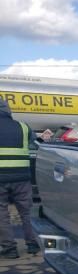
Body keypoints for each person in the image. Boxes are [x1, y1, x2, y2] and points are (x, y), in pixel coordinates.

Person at [0, 97, 39, 259]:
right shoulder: (24, 127)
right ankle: (32, 244)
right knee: (27, 212)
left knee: (1, 214)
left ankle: (9, 249)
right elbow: (33, 146)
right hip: (22, 178)